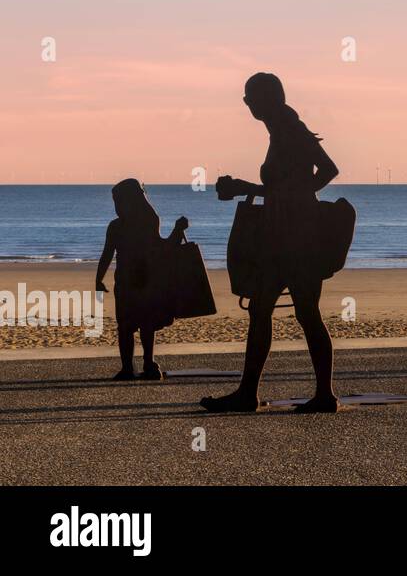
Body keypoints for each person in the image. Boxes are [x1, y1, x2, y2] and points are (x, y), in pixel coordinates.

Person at [202, 73, 341, 413]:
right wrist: (258, 190)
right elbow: (296, 183)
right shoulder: (282, 130)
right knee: (274, 311)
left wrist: (281, 194)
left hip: (295, 239)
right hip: (286, 235)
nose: (247, 102)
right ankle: (255, 393)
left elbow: (328, 169)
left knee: (298, 313)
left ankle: (314, 395)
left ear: (268, 98)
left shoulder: (290, 131)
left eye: (250, 96)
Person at [95, 179, 186, 381]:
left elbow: (107, 255)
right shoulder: (139, 223)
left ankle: (138, 365)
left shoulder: (126, 225)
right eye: (115, 202)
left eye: (119, 201)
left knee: (136, 325)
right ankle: (137, 365)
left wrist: (99, 279)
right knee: (136, 325)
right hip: (137, 282)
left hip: (138, 282)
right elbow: (164, 247)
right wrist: (178, 231)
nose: (117, 207)